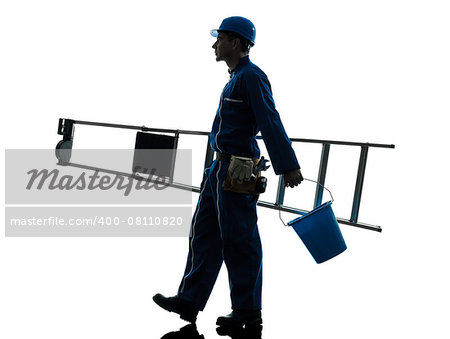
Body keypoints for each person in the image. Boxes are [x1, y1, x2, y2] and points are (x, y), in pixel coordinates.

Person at [153, 16, 303, 328]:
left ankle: (248, 313)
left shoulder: (251, 77)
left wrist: (287, 166)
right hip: (218, 169)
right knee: (204, 233)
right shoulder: (234, 78)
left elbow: (269, 121)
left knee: (240, 240)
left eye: (219, 38)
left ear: (235, 42)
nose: (214, 44)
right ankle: (189, 300)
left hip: (238, 171)